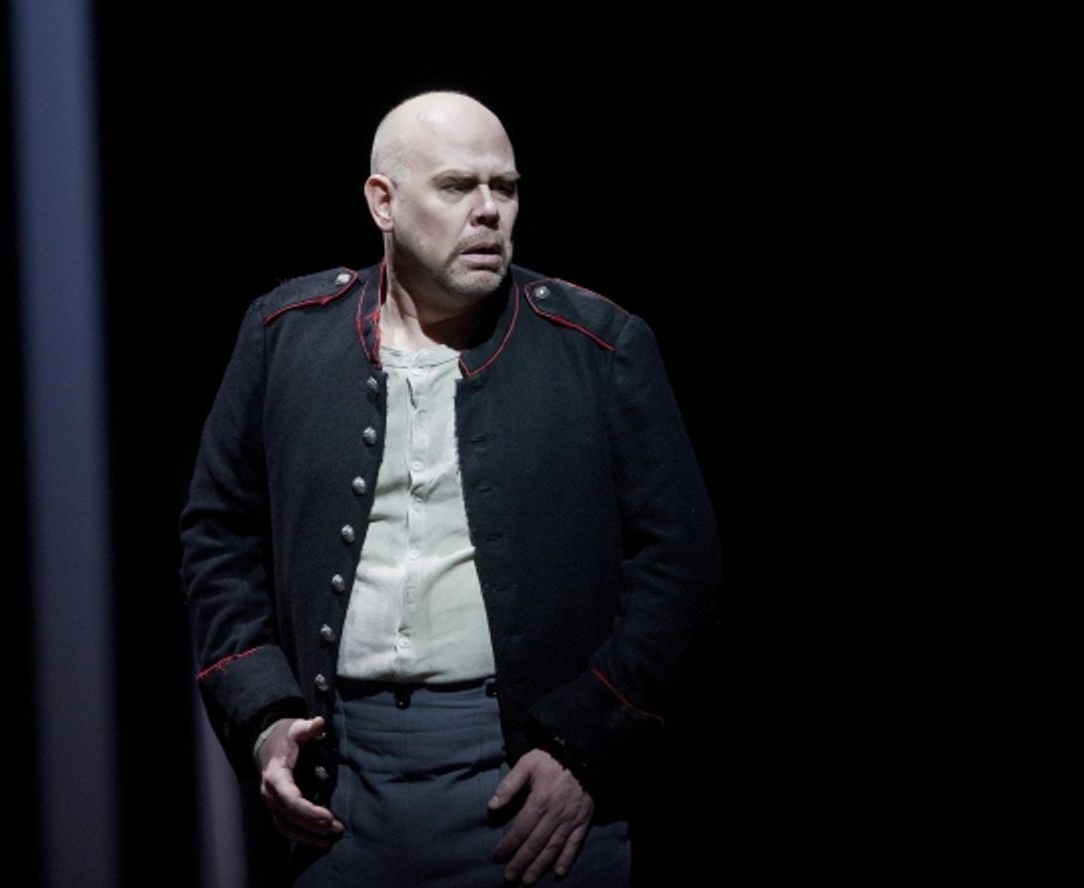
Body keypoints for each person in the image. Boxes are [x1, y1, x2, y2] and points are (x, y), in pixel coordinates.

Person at [180, 90, 720, 886]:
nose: (489, 212)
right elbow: (217, 537)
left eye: (504, 188)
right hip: (341, 781)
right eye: (457, 186)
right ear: (382, 202)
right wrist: (262, 717)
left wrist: (585, 746)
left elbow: (683, 563)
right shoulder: (286, 333)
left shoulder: (599, 346)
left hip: (525, 788)